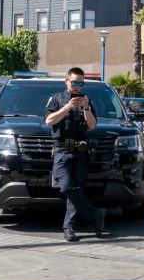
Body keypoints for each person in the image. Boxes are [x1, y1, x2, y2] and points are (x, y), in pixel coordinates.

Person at [44, 67, 105, 242]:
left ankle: (68, 227)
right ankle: (95, 213)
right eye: (75, 82)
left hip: (81, 152)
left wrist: (86, 108)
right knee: (65, 187)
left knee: (76, 189)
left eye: (81, 83)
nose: (78, 86)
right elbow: (49, 121)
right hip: (62, 151)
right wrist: (68, 107)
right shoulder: (56, 99)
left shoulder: (88, 101)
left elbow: (92, 126)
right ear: (66, 81)